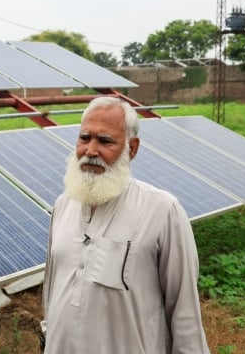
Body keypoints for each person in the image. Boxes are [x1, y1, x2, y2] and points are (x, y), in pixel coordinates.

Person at [41, 96, 210, 353]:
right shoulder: (64, 204)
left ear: (132, 149)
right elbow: (51, 289)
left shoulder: (162, 210)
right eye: (84, 138)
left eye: (105, 141)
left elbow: (184, 311)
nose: (90, 151)